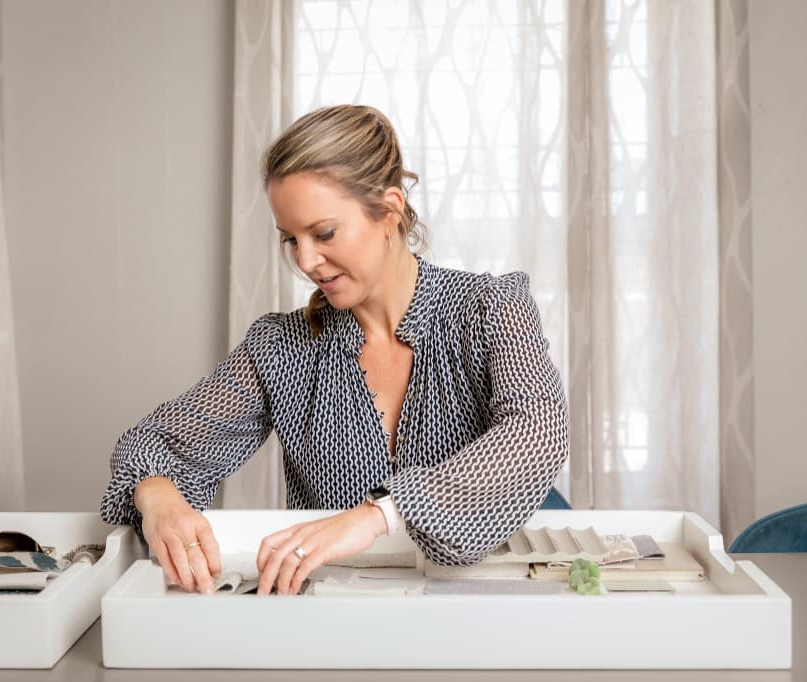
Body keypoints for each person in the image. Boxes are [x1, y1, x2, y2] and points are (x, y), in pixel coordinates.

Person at [100, 104, 569, 596]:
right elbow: (155, 444)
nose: (306, 261)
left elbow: (538, 430)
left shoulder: (491, 308)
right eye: (291, 240)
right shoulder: (282, 348)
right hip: (345, 620)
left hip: (496, 601)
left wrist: (378, 515)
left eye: (323, 233)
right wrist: (156, 495)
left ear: (388, 212)